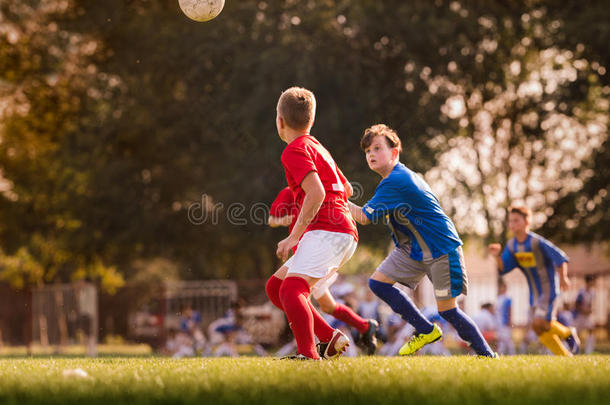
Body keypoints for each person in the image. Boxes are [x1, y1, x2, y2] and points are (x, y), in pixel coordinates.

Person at [348, 124, 497, 358]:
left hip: (440, 247)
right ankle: (425, 329)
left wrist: (332, 198)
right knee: (378, 283)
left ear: (394, 153)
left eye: (377, 148)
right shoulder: (392, 179)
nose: (371, 155)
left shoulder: (395, 180)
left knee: (448, 311)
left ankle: (488, 356)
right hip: (414, 249)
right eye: (367, 151)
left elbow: (364, 218)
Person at [264, 87, 359, 360]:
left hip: (328, 231)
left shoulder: (293, 150)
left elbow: (317, 192)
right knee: (275, 288)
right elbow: (348, 189)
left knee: (292, 289)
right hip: (339, 231)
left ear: (280, 121)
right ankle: (330, 337)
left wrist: (293, 236)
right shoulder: (317, 146)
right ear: (311, 121)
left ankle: (309, 355)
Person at [269, 187, 378, 354]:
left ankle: (314, 346)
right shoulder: (289, 192)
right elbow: (272, 219)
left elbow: (344, 195)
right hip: (303, 254)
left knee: (297, 294)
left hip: (321, 252)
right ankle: (363, 326)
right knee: (325, 305)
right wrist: (287, 219)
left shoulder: (321, 187)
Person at [488, 205, 580, 356]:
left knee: (539, 323)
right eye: (510, 221)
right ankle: (565, 356)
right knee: (537, 328)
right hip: (533, 294)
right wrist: (496, 256)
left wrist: (563, 277)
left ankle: (568, 333)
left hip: (548, 290)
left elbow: (560, 257)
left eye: (516, 220)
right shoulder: (512, 245)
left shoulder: (537, 242)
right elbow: (503, 268)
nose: (512, 224)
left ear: (527, 222)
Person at [574, 274, 596, 353]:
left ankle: (589, 351)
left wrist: (590, 310)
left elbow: (590, 304)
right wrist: (583, 310)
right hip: (579, 316)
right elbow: (576, 304)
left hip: (587, 316)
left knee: (591, 331)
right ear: (588, 282)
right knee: (576, 333)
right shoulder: (581, 292)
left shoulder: (593, 292)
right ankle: (576, 350)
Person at [495, 281, 516, 355]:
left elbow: (509, 310)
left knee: (507, 339)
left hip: (505, 321)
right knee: (502, 339)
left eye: (502, 287)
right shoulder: (498, 298)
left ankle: (511, 353)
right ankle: (500, 353)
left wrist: (510, 320)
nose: (501, 289)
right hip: (498, 321)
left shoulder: (507, 298)